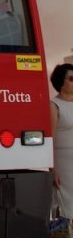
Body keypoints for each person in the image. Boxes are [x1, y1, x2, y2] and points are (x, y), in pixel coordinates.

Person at [50, 63, 73, 218]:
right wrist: (53, 169)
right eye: (72, 78)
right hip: (65, 168)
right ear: (61, 82)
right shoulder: (53, 106)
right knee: (67, 208)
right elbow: (50, 140)